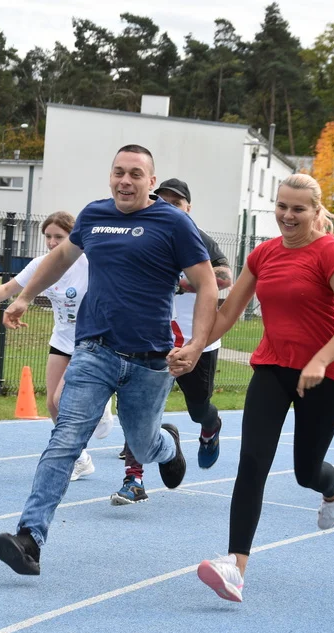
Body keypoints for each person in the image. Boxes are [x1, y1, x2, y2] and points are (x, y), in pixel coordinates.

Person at [0, 144, 218, 576]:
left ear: (152, 182)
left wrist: (195, 342)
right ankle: (30, 538)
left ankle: (168, 448)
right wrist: (24, 296)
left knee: (144, 443)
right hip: (94, 350)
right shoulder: (95, 215)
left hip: (150, 361)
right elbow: (59, 258)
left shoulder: (173, 223)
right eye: (118, 172)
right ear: (110, 176)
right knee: (64, 439)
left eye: (136, 174)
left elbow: (207, 285)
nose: (125, 181)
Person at [189, 173, 334, 603]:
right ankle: (236, 568)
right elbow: (228, 313)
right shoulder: (263, 254)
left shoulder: (330, 253)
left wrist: (320, 361)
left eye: (298, 208)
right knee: (252, 462)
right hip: (272, 368)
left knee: (307, 470)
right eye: (282, 206)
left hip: (323, 374)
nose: (288, 215)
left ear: (315, 211)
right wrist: (193, 348)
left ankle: (333, 486)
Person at [112, 178, 234, 505]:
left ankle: (211, 428)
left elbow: (224, 277)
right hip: (153, 339)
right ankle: (133, 479)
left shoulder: (196, 238)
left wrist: (180, 282)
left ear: (188, 209)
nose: (167, 207)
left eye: (176, 203)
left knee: (199, 410)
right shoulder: (144, 235)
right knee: (136, 409)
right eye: (162, 201)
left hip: (198, 342)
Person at [0, 212, 114, 481]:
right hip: (61, 340)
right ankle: (80, 458)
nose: (51, 242)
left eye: (59, 237)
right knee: (52, 403)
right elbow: (10, 287)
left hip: (90, 341)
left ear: (73, 237)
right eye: (48, 237)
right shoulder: (41, 265)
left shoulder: (90, 264)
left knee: (62, 398)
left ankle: (101, 401)